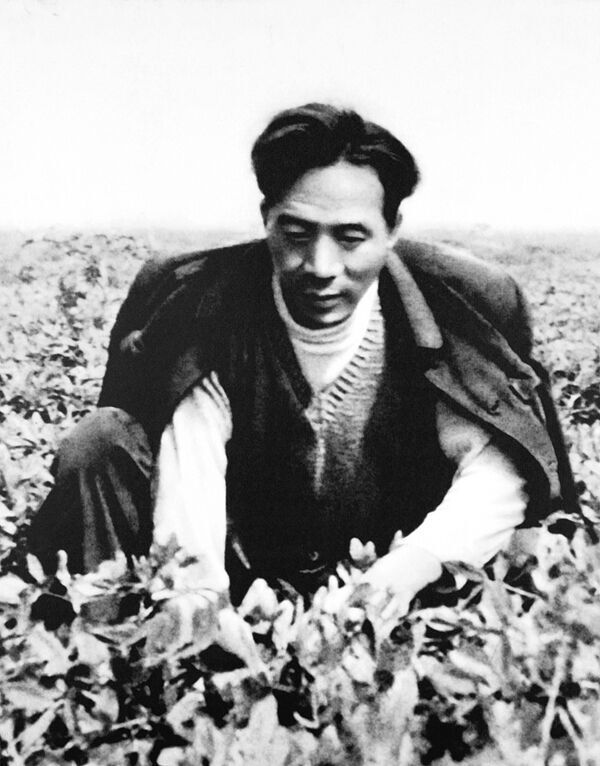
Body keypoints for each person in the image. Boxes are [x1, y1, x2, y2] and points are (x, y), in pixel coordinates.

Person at [27, 103, 578, 613]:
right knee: (100, 440)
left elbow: (498, 471)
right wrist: (198, 605)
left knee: (527, 558)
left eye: (351, 238)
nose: (320, 266)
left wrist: (405, 571)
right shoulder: (199, 299)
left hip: (401, 560)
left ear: (392, 231)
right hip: (246, 560)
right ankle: (105, 634)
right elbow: (187, 462)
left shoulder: (462, 300)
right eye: (296, 233)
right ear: (266, 217)